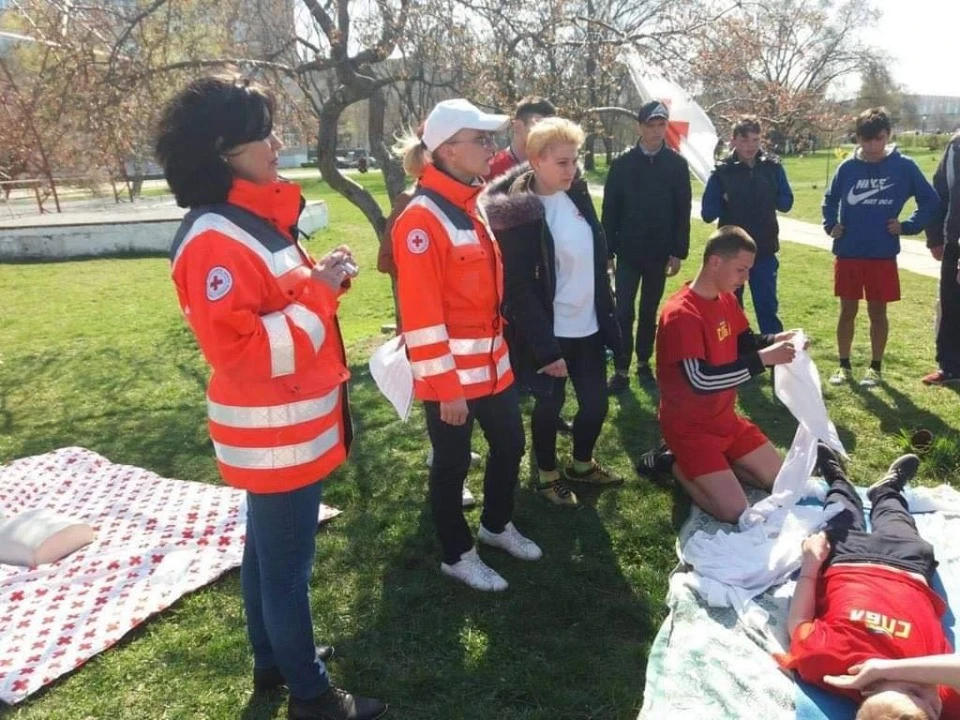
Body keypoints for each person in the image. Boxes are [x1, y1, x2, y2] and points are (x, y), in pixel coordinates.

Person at [156, 77, 386, 720]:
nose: (278, 143)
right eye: (265, 134)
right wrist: (319, 291)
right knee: (287, 570)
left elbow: (283, 308)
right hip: (276, 435)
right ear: (225, 150)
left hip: (290, 429)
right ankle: (311, 693)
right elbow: (245, 352)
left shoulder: (250, 221)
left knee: (265, 556)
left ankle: (274, 660)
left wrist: (322, 280)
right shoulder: (213, 239)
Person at [390, 98, 542, 592]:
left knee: (510, 445)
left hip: (493, 367)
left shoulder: (468, 201)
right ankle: (457, 554)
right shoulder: (420, 220)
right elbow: (422, 316)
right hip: (451, 379)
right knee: (452, 465)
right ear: (449, 150)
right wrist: (445, 387)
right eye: (481, 140)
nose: (490, 147)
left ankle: (495, 527)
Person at [482, 118, 623, 507]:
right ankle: (547, 474)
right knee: (550, 405)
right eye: (562, 162)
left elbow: (595, 251)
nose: (572, 169)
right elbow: (520, 288)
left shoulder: (576, 194)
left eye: (574, 160)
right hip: (550, 332)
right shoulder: (517, 213)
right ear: (536, 161)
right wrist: (546, 349)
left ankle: (581, 464)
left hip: (589, 325)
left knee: (595, 403)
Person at [777, 443, 960, 719]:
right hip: (908, 566)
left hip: (849, 562)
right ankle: (887, 490)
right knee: (897, 517)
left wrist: (811, 565)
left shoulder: (826, 663)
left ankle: (836, 479)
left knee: (841, 513)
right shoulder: (944, 695)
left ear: (866, 691)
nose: (931, 695)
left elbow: (799, 623)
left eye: (914, 691)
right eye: (934, 710)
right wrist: (887, 671)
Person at [648, 226, 800, 523]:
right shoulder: (681, 313)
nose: (746, 278)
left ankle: (718, 468)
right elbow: (700, 379)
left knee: (782, 482)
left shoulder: (726, 298)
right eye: (741, 270)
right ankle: (674, 463)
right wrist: (763, 359)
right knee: (735, 512)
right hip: (690, 429)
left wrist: (778, 339)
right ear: (715, 262)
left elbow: (744, 342)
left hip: (725, 419)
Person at [822, 106, 939, 388]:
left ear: (888, 136)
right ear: (858, 138)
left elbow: (931, 200)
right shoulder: (848, 167)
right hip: (849, 252)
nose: (873, 146)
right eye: (866, 139)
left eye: (879, 138)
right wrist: (830, 225)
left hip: (881, 253)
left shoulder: (904, 166)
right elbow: (830, 199)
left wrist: (908, 225)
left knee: (878, 312)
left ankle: (875, 367)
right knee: (847, 311)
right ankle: (844, 365)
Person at [603, 100, 692, 394]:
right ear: (639, 127)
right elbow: (610, 209)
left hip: (659, 252)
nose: (656, 131)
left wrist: (678, 251)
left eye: (661, 125)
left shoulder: (677, 165)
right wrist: (608, 252)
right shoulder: (623, 163)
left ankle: (643, 362)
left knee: (649, 310)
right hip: (628, 252)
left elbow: (682, 210)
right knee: (623, 311)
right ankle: (620, 367)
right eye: (650, 125)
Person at [701, 115, 794, 335]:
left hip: (764, 250)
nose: (751, 146)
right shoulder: (723, 172)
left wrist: (770, 193)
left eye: (755, 140)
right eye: (744, 140)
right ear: (733, 140)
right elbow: (707, 213)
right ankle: (736, 355)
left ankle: (775, 359)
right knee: (731, 306)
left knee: (767, 307)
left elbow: (786, 203)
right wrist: (725, 200)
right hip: (732, 253)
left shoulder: (772, 167)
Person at [923, 132, 960, 386]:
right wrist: (935, 237)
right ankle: (951, 367)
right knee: (950, 305)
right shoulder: (955, 146)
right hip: (953, 243)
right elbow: (939, 194)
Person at [484, 95, 557, 180]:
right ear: (518, 126)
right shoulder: (492, 169)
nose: (548, 131)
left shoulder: (554, 165)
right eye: (540, 125)